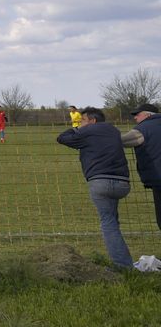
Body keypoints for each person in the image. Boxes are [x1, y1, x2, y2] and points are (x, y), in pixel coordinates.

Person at [57, 108, 133, 269]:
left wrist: (75, 128)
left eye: (83, 120)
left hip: (100, 181)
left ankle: (123, 266)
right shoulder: (113, 130)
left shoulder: (88, 131)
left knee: (108, 223)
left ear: (92, 121)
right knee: (113, 220)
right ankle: (124, 262)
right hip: (122, 182)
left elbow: (62, 138)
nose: (80, 123)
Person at [121, 104, 161, 233]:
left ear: (148, 115)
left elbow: (122, 141)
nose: (135, 117)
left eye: (137, 114)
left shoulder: (143, 129)